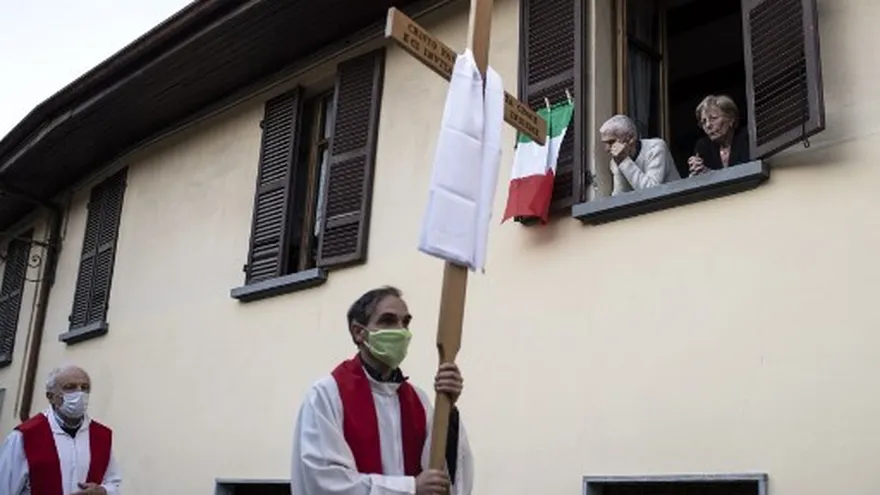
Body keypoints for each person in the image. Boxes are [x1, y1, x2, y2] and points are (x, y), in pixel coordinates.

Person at [291, 286, 474, 495]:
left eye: (405, 322)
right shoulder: (326, 395)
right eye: (388, 321)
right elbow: (324, 481)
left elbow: (445, 477)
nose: (400, 331)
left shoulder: (419, 401)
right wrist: (410, 488)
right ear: (359, 332)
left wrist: (448, 410)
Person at [0, 365, 122, 495]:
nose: (79, 393)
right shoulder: (25, 436)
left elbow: (113, 482)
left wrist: (103, 491)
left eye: (85, 388)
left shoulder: (101, 436)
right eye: (70, 387)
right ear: (51, 396)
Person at [600, 114, 680, 196]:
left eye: (611, 142)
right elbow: (619, 197)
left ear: (631, 137)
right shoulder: (617, 159)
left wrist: (624, 161)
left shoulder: (656, 148)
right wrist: (621, 164)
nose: (607, 149)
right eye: (605, 143)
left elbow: (651, 191)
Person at [688, 95, 751, 176]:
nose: (708, 125)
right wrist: (695, 172)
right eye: (703, 122)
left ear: (731, 119)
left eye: (713, 118)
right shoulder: (703, 147)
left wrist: (709, 173)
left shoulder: (747, 137)